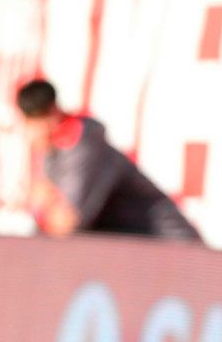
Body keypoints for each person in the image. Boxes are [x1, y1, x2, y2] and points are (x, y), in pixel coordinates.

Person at [15, 78, 202, 241]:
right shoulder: (54, 151)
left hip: (166, 245)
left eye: (33, 123)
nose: (29, 133)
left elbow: (70, 224)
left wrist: (43, 206)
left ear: (52, 114)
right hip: (133, 251)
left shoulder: (84, 146)